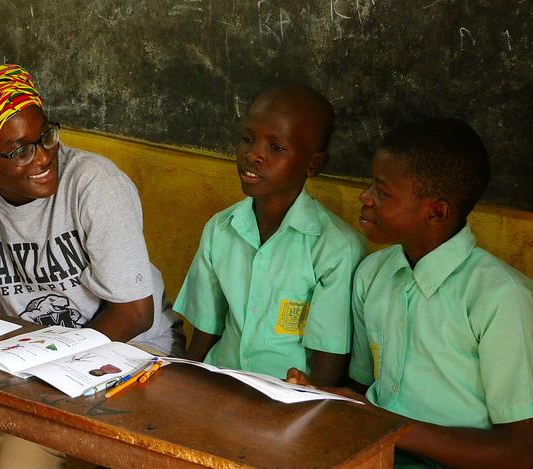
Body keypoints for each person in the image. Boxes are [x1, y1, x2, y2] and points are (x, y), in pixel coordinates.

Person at [0, 64, 184, 468]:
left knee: (22, 449)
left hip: (133, 354)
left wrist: (52, 366)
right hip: (36, 363)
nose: (44, 156)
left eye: (45, 135)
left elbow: (135, 314)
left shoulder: (93, 185)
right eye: (20, 150)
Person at [290, 118, 533, 467]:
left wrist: (384, 424)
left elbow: (521, 451)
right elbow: (362, 388)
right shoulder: (373, 274)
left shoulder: (499, 297)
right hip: (377, 451)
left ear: (437, 211)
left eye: (382, 192)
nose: (366, 197)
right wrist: (321, 397)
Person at [174, 85, 365, 385]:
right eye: (247, 139)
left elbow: (329, 364)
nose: (252, 155)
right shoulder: (221, 229)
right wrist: (183, 386)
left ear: (313, 164)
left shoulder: (335, 248)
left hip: (286, 401)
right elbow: (206, 332)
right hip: (218, 384)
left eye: (275, 147)